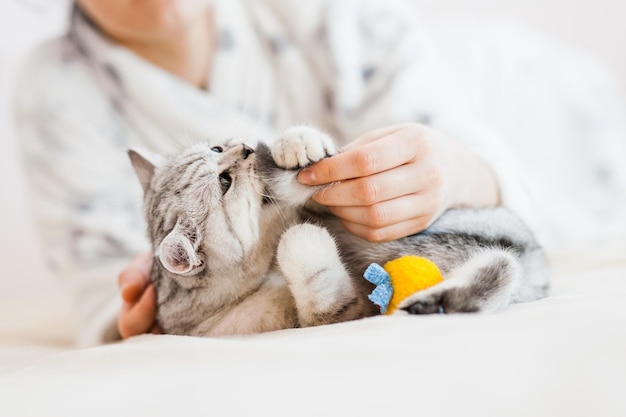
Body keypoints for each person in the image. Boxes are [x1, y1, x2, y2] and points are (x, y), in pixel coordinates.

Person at [18, 0, 623, 346]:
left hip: (526, 102)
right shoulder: (56, 91)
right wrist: (140, 313)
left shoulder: (320, 13)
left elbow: (503, 184)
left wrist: (461, 169)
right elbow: (102, 294)